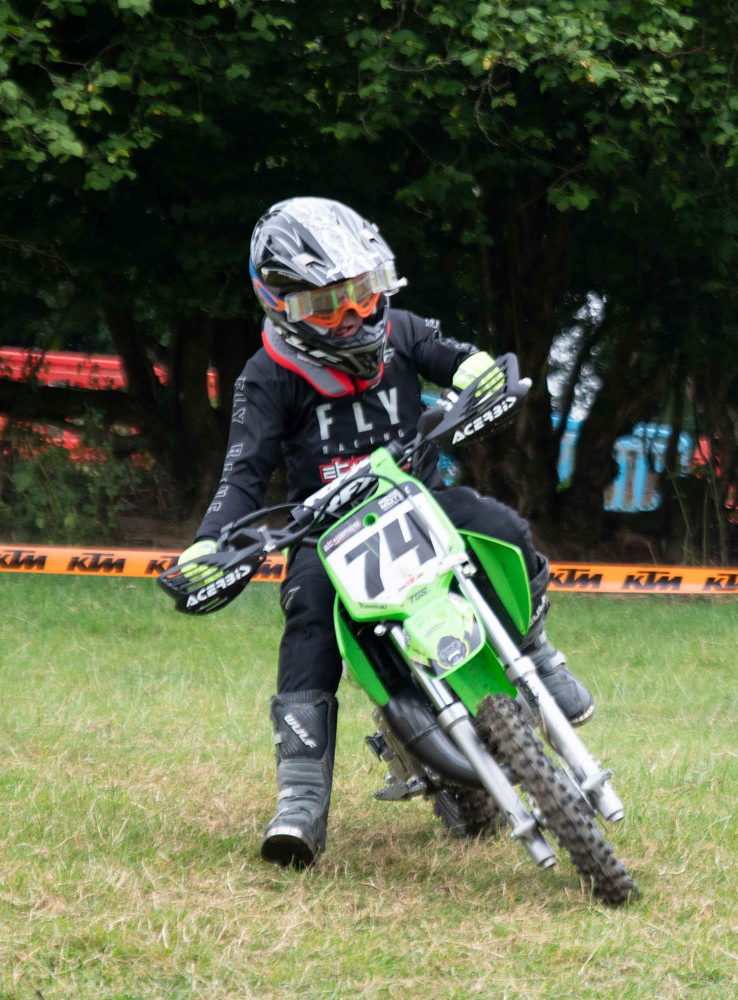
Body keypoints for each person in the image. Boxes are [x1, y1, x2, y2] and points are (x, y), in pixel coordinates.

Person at [175, 197, 594, 869]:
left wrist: (474, 372)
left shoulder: (398, 330)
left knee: (503, 527)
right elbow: (243, 474)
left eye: (360, 294)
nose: (350, 316)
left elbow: (448, 352)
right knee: (307, 613)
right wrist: (209, 544)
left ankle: (538, 654)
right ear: (278, 303)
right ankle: (301, 798)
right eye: (324, 304)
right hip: (326, 534)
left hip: (418, 501)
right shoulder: (265, 376)